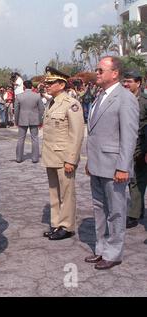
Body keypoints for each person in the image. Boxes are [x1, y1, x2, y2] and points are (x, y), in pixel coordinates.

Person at [85, 56, 139, 270]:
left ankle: (114, 253)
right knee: (99, 209)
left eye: (100, 70)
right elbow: (95, 133)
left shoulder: (125, 98)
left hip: (115, 166)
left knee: (116, 210)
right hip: (98, 163)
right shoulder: (101, 96)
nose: (97, 73)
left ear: (114, 73)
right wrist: (90, 160)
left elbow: (129, 135)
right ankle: (102, 249)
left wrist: (123, 167)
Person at [41, 67, 84, 240]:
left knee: (66, 193)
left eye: (51, 83)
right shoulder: (51, 102)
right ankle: (57, 223)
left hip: (64, 156)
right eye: (47, 82)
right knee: (54, 192)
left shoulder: (71, 104)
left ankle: (66, 226)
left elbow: (76, 134)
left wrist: (71, 160)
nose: (47, 85)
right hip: (51, 156)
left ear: (61, 84)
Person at [122, 70, 147, 229]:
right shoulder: (124, 100)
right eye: (125, 81)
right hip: (128, 146)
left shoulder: (144, 101)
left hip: (141, 146)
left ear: (138, 83)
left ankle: (134, 214)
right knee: (133, 180)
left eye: (129, 81)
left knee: (137, 180)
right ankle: (137, 211)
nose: (126, 84)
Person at [14, 80, 45, 164]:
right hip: (34, 119)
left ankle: (19, 158)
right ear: (31, 86)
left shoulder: (19, 96)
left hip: (22, 119)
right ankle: (35, 158)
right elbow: (41, 109)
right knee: (35, 139)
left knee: (20, 139)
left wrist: (16, 121)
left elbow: (16, 110)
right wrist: (40, 121)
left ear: (24, 86)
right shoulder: (37, 96)